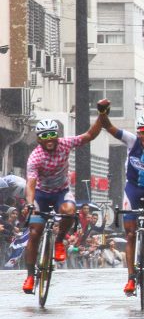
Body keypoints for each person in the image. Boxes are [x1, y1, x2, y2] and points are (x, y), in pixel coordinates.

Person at [21, 104, 105, 293]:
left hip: (61, 192)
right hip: (41, 195)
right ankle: (29, 275)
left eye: (52, 135)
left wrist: (101, 116)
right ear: (39, 139)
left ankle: (59, 240)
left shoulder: (65, 144)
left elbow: (89, 136)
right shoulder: (35, 157)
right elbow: (31, 184)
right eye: (45, 136)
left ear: (57, 136)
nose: (49, 139)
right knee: (34, 233)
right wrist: (29, 203)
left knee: (68, 212)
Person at [99, 109, 144, 295]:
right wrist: (102, 113)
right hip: (132, 191)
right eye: (142, 132)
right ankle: (130, 278)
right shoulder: (131, 140)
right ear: (138, 133)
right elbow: (108, 127)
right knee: (130, 234)